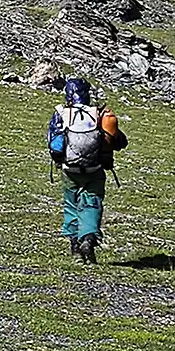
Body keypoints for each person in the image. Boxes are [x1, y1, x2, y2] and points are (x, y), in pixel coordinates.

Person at [47, 76, 128, 263]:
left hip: (69, 169)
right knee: (92, 202)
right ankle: (89, 239)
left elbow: (53, 143)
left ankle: (75, 247)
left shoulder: (61, 113)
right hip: (95, 168)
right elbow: (120, 142)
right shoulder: (99, 114)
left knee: (71, 203)